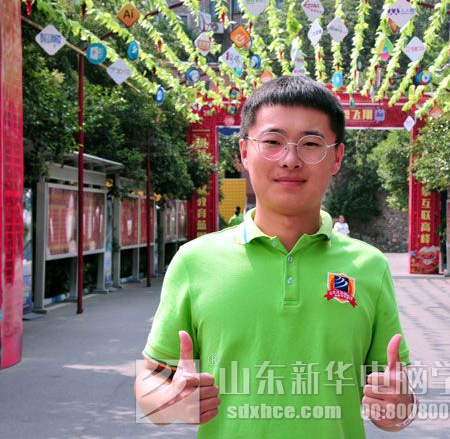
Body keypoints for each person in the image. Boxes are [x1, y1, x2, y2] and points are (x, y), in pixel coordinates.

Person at [134, 75, 416, 438]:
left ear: (337, 157)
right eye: (272, 142)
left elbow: (395, 398)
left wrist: (397, 407)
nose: (290, 159)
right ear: (244, 152)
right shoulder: (194, 262)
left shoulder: (369, 266)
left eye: (311, 144)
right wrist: (168, 400)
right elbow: (151, 378)